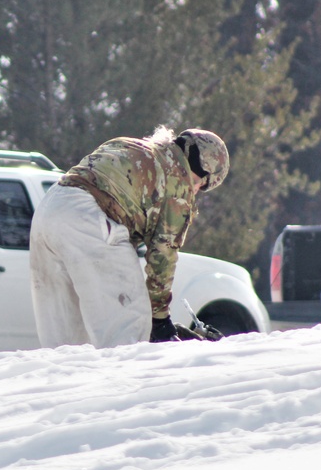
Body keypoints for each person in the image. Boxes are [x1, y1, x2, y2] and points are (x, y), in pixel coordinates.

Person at [29, 126, 230, 349]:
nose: (196, 190)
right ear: (204, 173)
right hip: (88, 217)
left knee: (66, 342)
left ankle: (68, 383)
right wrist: (160, 319)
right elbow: (163, 256)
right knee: (128, 332)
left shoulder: (131, 145)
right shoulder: (178, 183)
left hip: (48, 210)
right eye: (202, 185)